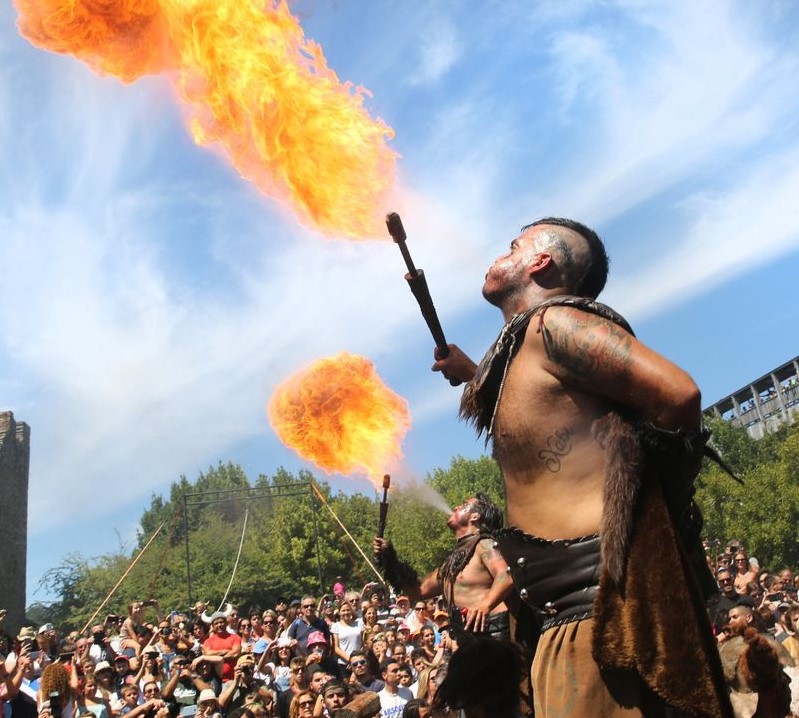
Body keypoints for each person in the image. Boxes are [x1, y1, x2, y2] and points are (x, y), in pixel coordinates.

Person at [431, 218, 731, 717]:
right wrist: (475, 376)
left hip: (605, 621)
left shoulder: (557, 325)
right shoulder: (529, 346)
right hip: (562, 622)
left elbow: (679, 396)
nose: (501, 254)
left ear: (541, 262)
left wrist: (652, 516)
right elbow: (552, 411)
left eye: (514, 246)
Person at [373, 494, 512, 641]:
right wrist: (390, 559)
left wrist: (485, 606)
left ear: (475, 516)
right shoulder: (451, 562)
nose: (456, 507)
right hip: (467, 638)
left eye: (464, 505)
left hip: (494, 636)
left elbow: (506, 575)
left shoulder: (484, 544)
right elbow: (417, 591)